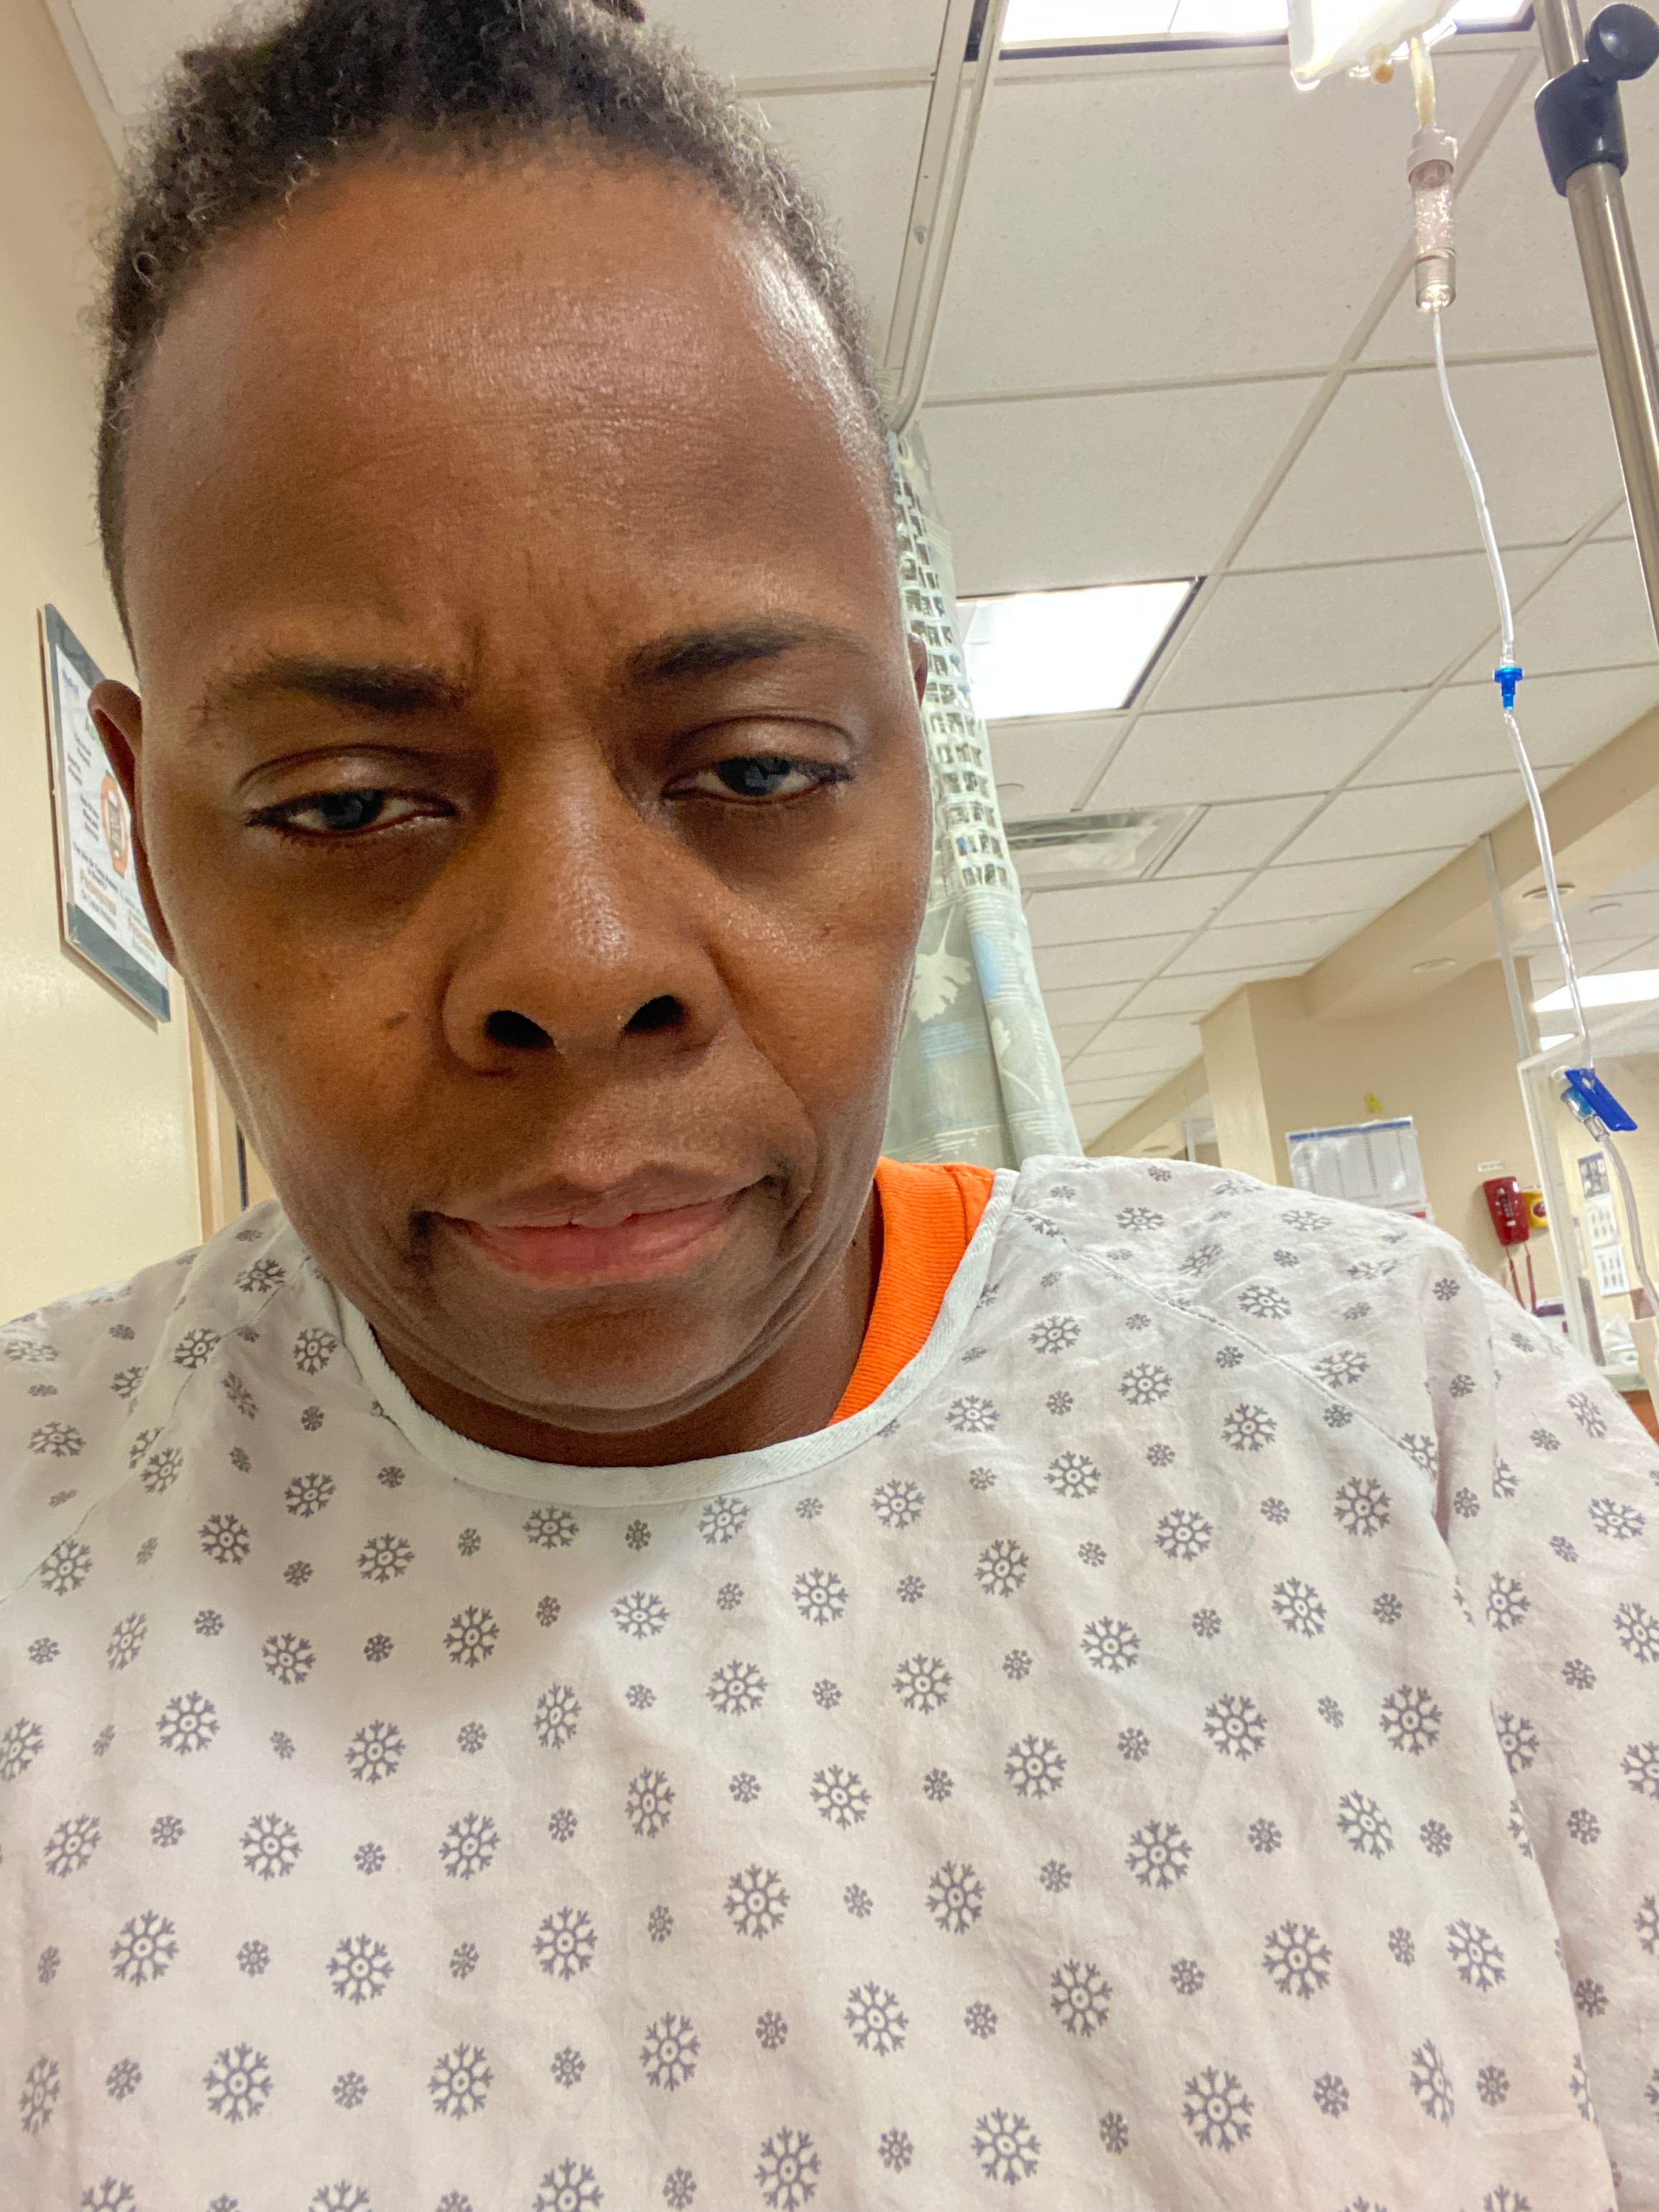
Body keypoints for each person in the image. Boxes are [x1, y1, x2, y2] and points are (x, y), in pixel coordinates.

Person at [3, 1, 1655, 2204]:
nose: (578, 966)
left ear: (913, 762)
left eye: (759, 769)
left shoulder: (1394, 1431)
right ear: (142, 830)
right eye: (348, 803)